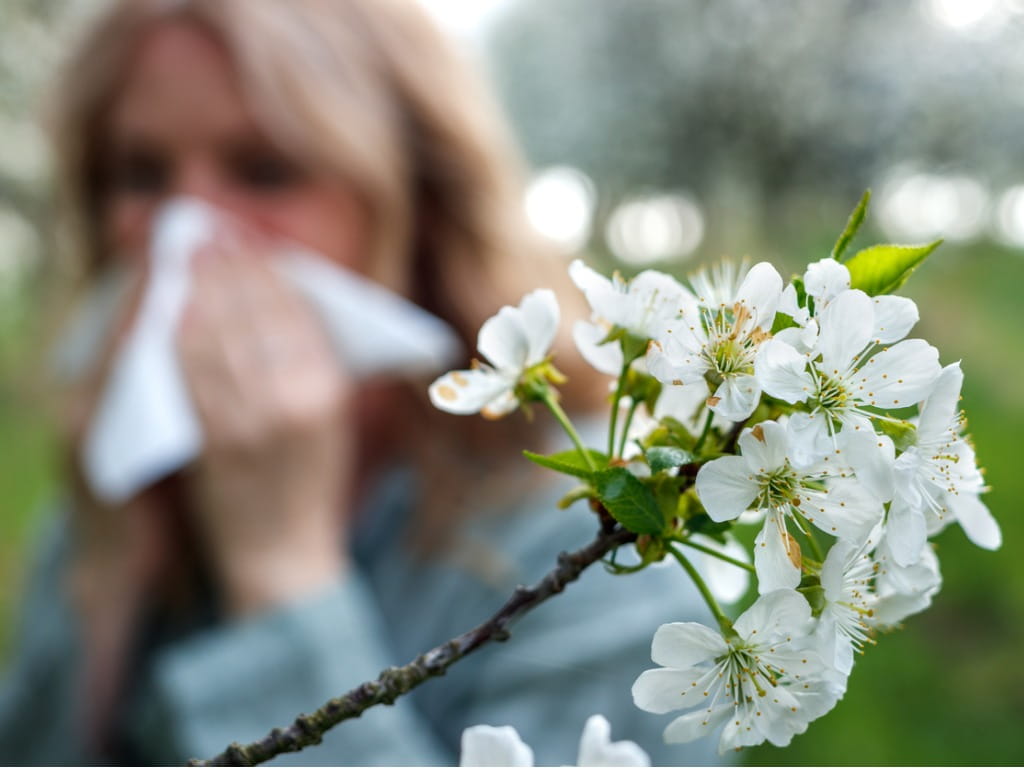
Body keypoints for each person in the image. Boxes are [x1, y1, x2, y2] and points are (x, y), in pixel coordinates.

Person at [0, 1, 720, 764]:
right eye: (142, 174)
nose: (189, 228)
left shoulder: (591, 545)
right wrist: (104, 584)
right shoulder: (130, 486)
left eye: (265, 170)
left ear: (418, 202)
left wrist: (279, 569)